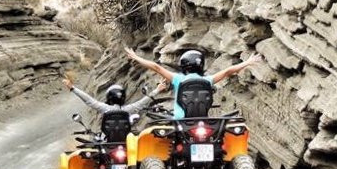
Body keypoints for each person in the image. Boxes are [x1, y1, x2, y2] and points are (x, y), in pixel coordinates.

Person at [124, 47, 256, 119]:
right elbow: (228, 71)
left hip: (180, 120)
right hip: (202, 121)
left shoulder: (177, 79)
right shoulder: (208, 80)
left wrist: (136, 57)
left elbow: (156, 67)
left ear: (183, 65)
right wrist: (247, 62)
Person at [63, 77, 167, 115]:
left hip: (108, 142)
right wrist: (157, 90)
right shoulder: (128, 109)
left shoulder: (105, 108)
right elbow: (144, 101)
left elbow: (89, 100)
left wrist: (73, 88)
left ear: (109, 97)